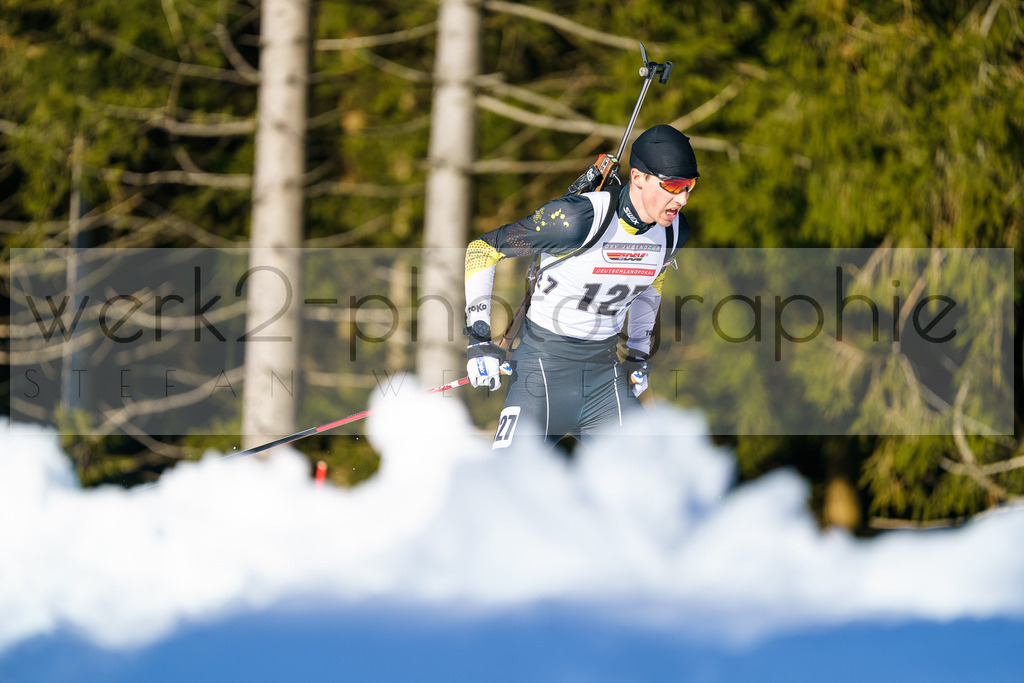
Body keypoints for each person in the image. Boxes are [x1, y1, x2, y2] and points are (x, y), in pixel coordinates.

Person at [463, 124, 698, 449]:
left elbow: (652, 282)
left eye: (689, 185)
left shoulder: (672, 233)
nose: (683, 199)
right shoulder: (577, 220)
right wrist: (478, 339)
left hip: (604, 380)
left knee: (650, 481)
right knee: (507, 484)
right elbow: (482, 249)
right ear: (639, 178)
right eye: (672, 185)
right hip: (541, 373)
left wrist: (638, 355)